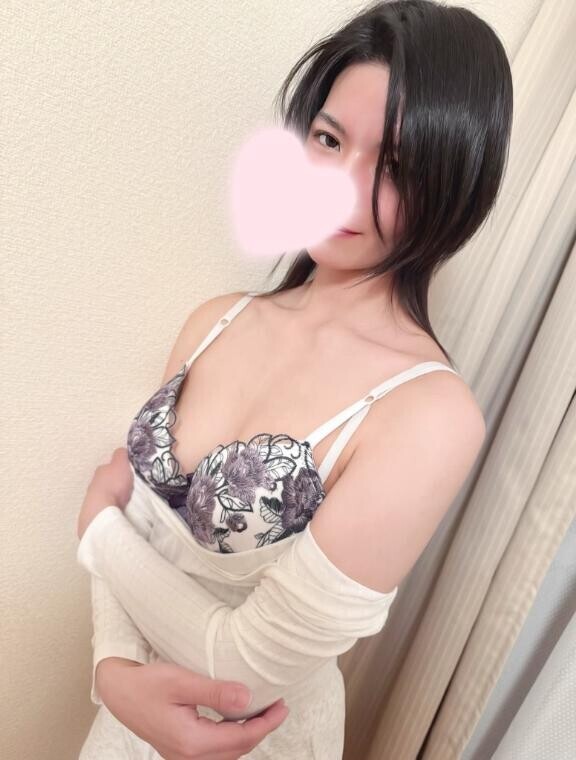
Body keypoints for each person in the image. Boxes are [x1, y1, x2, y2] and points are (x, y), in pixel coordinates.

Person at [75, 1, 513, 757]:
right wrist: (111, 671)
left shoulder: (430, 415)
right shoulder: (216, 320)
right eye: (328, 139)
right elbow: (138, 513)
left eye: (395, 166)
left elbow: (241, 671)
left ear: (454, 188)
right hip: (123, 723)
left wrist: (95, 530)